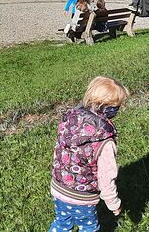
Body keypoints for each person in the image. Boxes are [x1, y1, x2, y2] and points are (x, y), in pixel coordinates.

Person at [50, 76, 128, 231]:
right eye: (116, 106)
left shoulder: (71, 121)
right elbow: (106, 176)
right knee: (89, 227)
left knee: (61, 222)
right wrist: (113, 203)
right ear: (107, 108)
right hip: (82, 197)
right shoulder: (104, 139)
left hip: (59, 187)